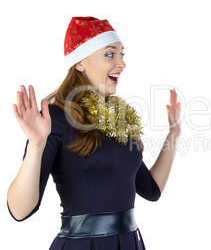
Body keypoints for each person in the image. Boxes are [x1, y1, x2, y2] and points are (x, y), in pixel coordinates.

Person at [7, 16, 181, 250]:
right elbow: (19, 211)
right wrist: (36, 145)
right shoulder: (55, 119)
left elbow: (151, 190)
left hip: (130, 243)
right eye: (110, 54)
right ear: (79, 62)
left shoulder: (118, 119)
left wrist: (174, 134)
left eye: (122, 54)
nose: (121, 63)